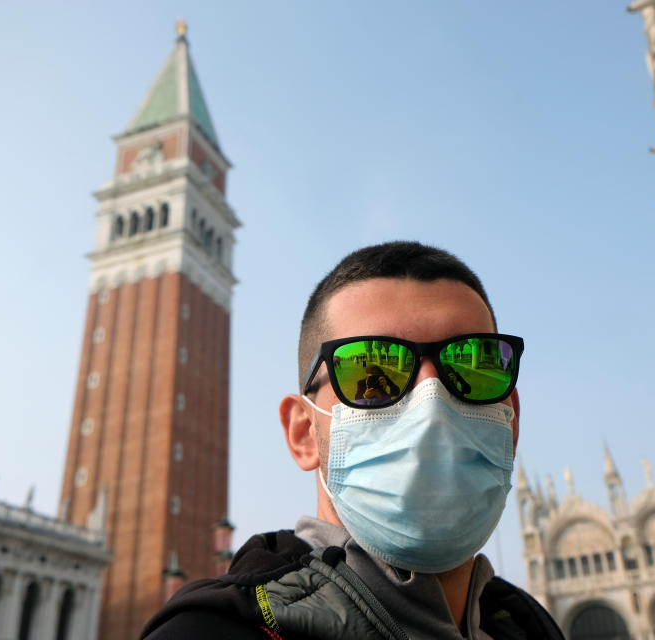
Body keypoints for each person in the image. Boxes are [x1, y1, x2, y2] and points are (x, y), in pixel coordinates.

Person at [141, 241, 564, 639]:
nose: (432, 402)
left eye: (472, 367)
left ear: (510, 421)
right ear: (304, 432)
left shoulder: (530, 626)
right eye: (372, 373)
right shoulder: (214, 631)